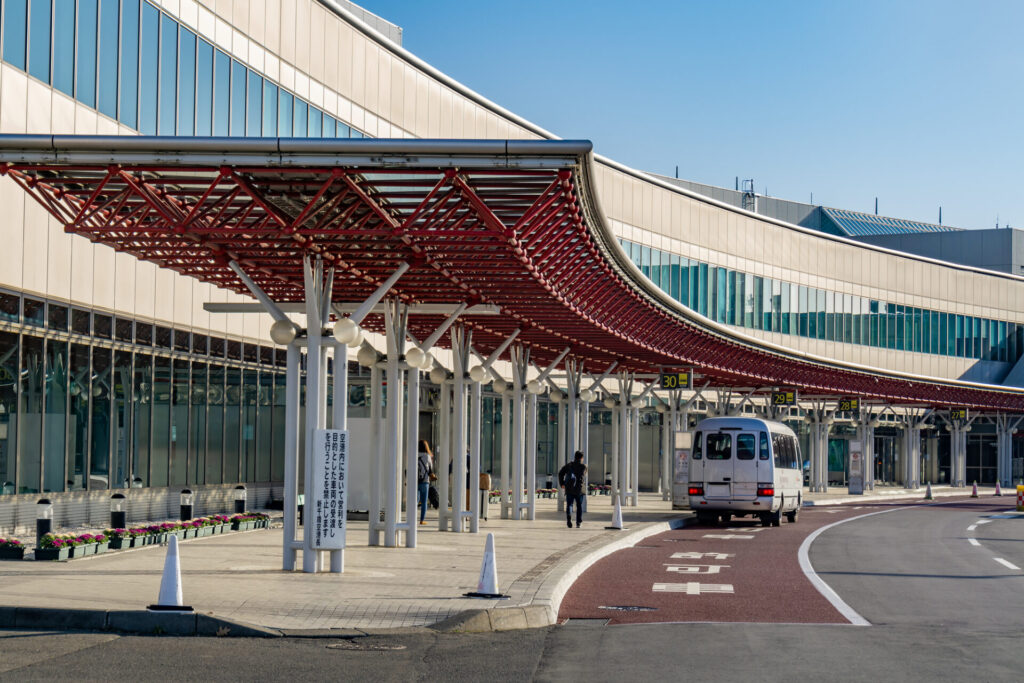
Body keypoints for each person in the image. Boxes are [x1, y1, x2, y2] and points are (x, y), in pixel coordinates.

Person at [559, 451, 588, 528]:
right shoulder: (583, 466)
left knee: (569, 505)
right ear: (582, 458)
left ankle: (569, 519)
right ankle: (578, 523)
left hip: (569, 489)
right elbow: (583, 475)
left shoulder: (569, 465)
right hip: (579, 490)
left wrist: (562, 483)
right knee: (579, 506)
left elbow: (560, 473)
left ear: (575, 457)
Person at [417, 440, 435, 525]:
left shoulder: (414, 455)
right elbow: (430, 468)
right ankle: (421, 520)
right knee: (424, 502)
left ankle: (412, 518)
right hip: (425, 481)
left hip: (415, 481)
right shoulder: (427, 456)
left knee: (415, 501)